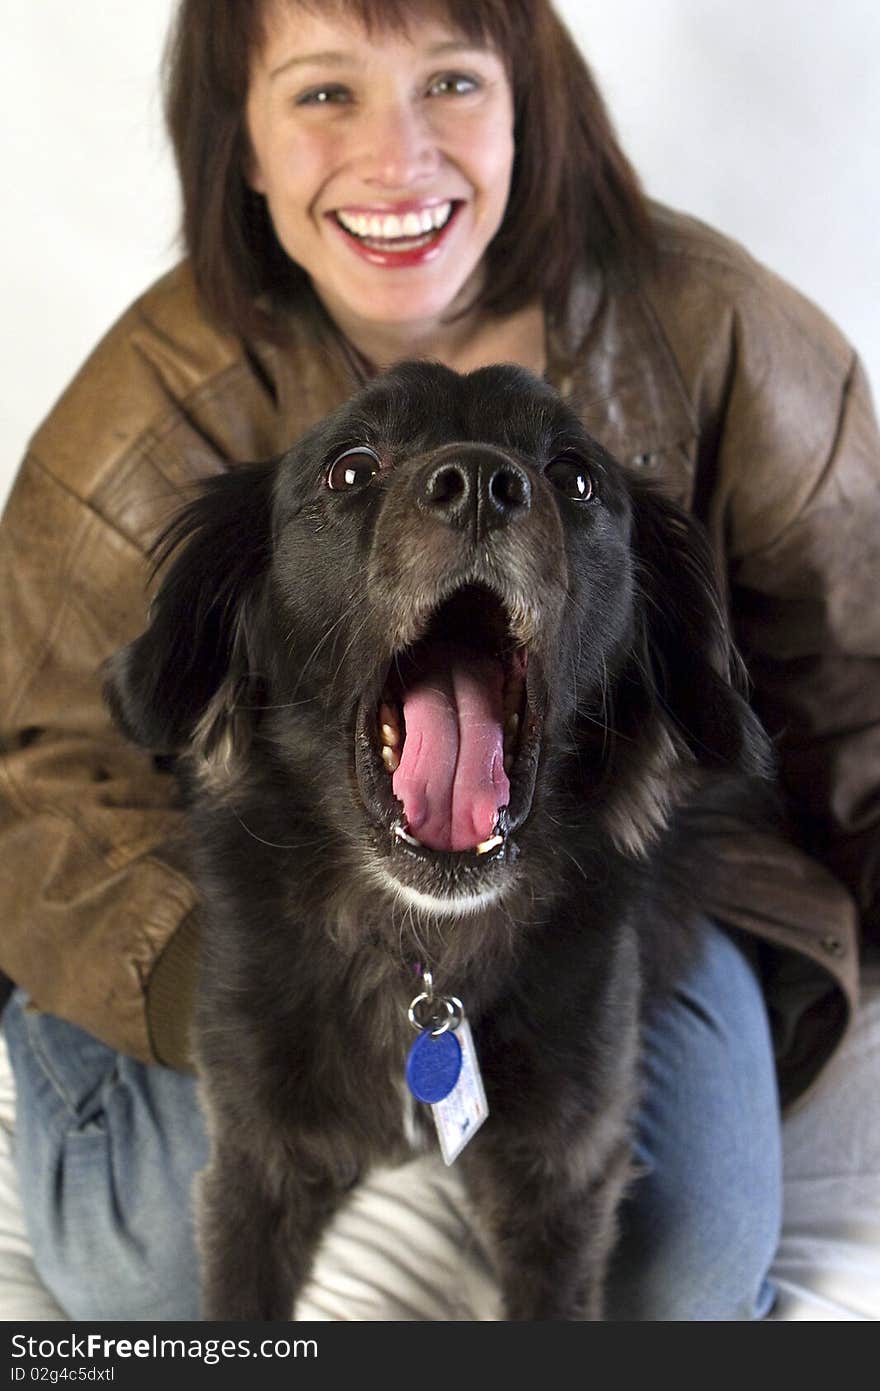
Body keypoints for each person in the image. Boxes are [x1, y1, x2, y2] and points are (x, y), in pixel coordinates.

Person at [0, 0, 877, 1322]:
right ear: (238, 143)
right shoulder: (155, 396)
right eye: (322, 94)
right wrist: (219, 985)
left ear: (533, 106)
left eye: (453, 82)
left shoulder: (724, 326)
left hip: (617, 899)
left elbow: (860, 681)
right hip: (255, 907)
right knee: (153, 1279)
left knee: (678, 1271)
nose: (397, 156)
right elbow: (33, 765)